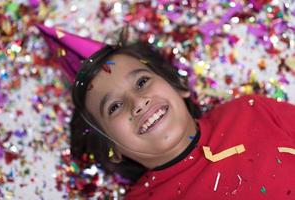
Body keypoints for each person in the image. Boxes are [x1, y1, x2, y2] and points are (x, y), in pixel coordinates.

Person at [71, 41, 295, 200]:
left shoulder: (250, 111)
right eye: (114, 107)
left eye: (141, 82)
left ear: (176, 85)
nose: (138, 103)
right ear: (112, 148)